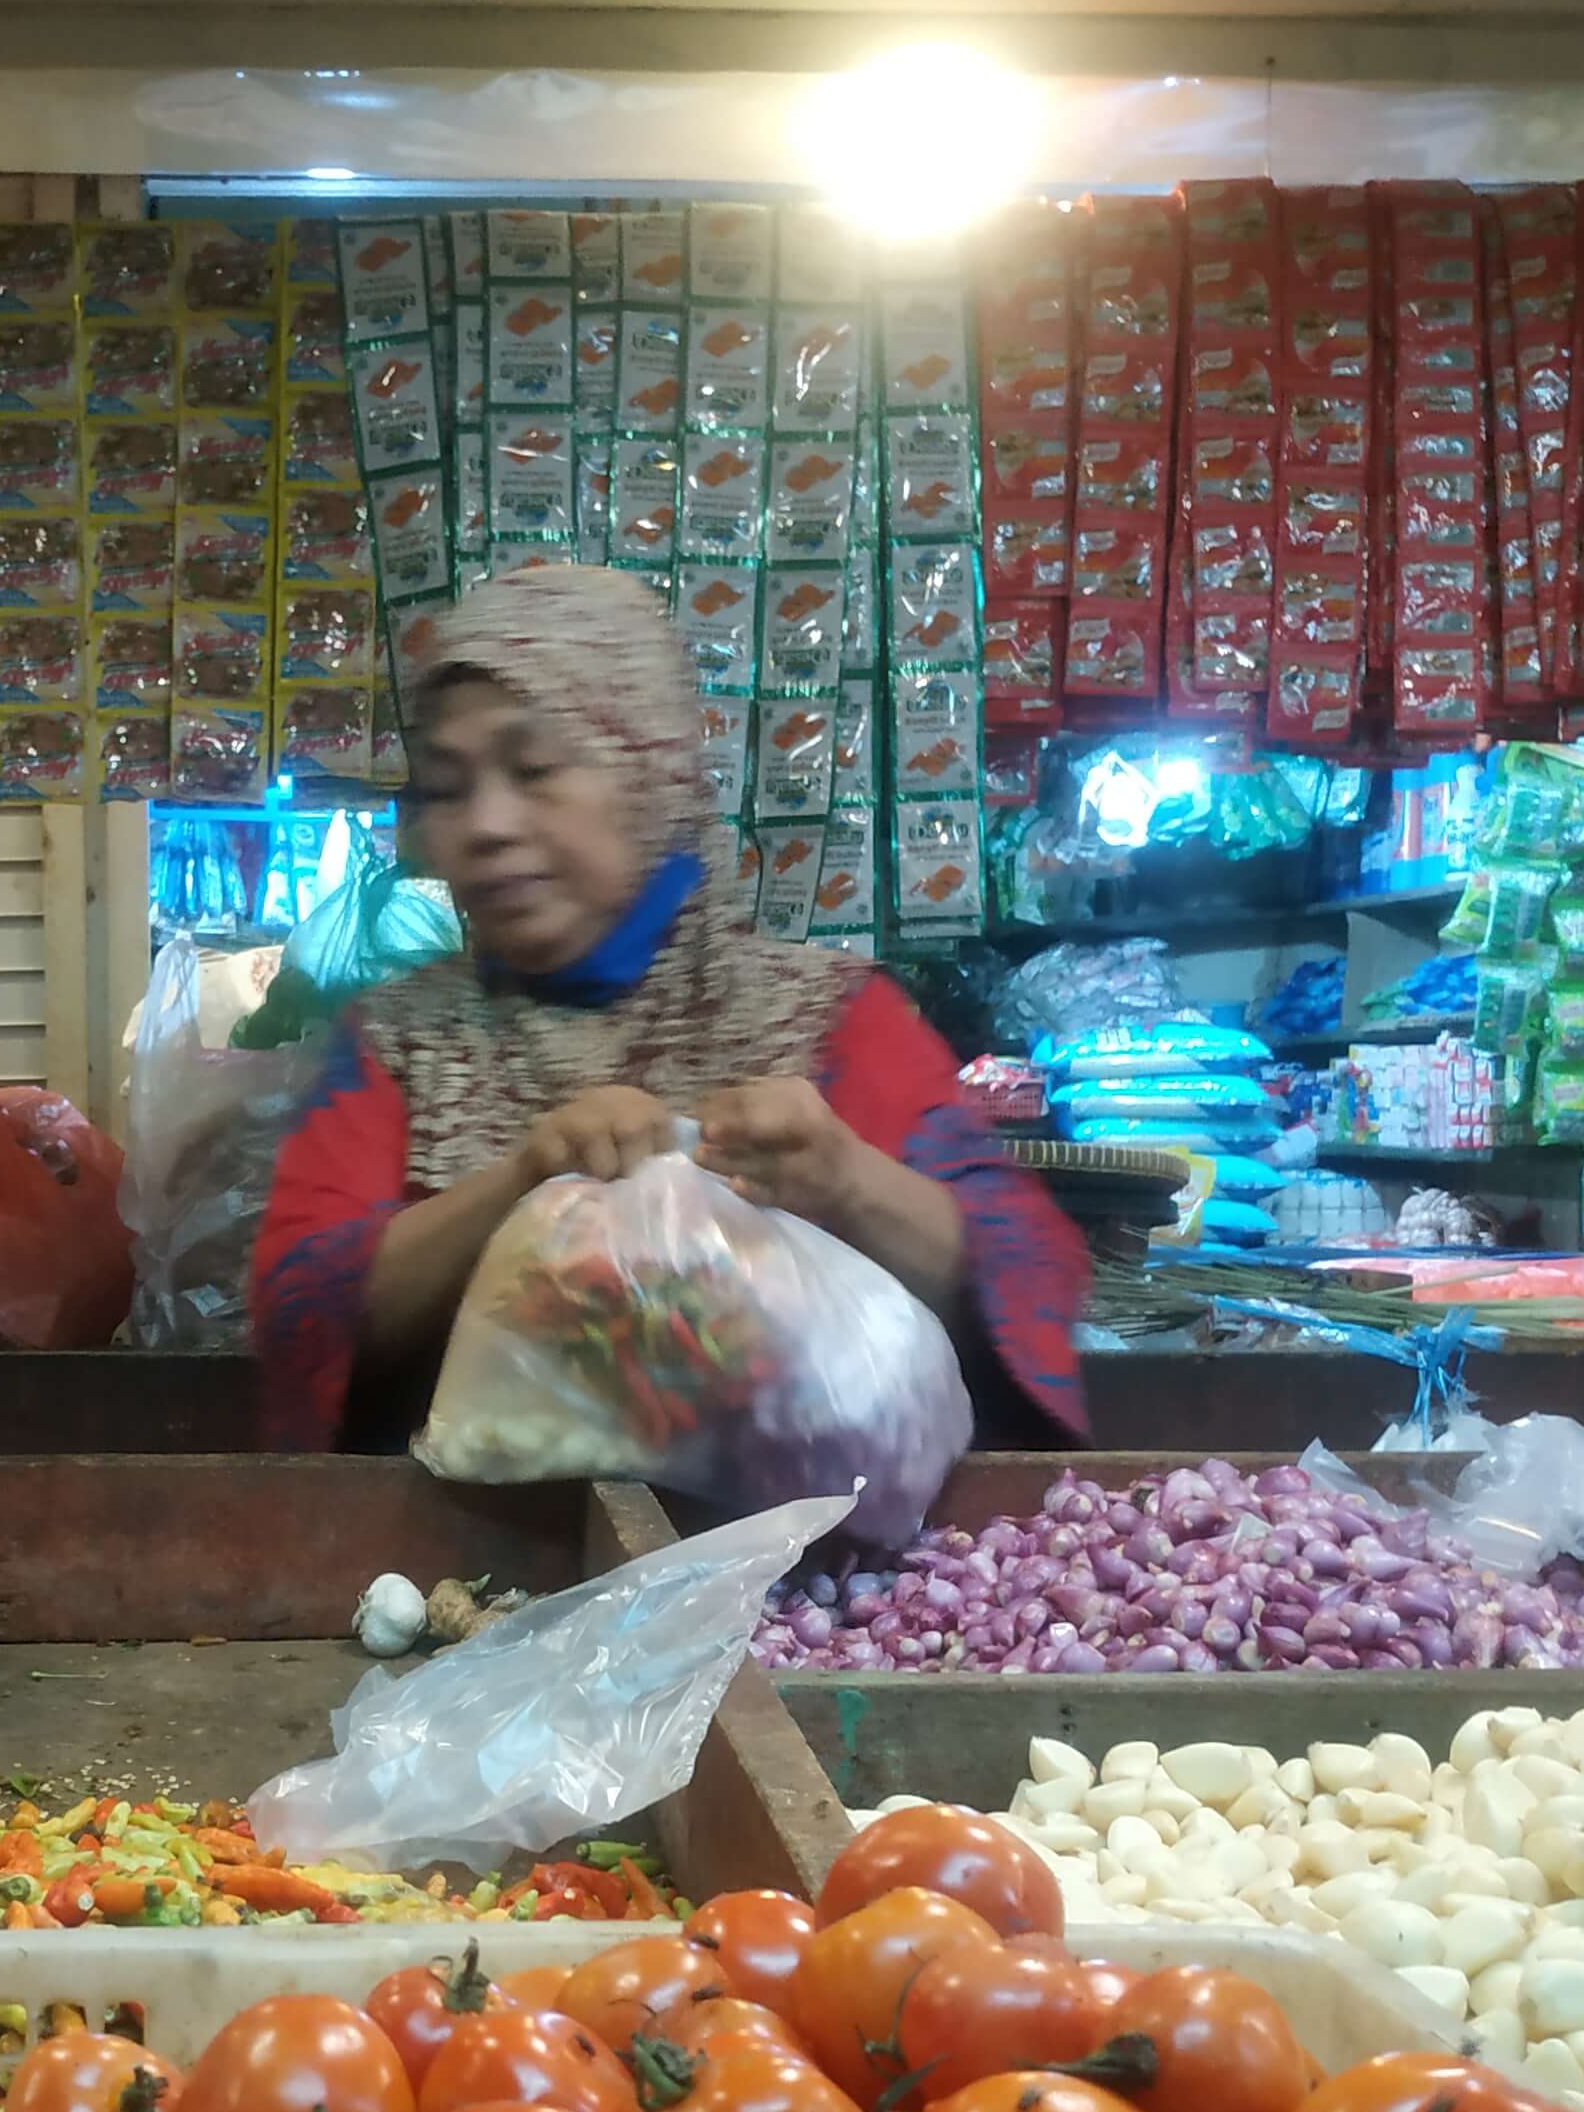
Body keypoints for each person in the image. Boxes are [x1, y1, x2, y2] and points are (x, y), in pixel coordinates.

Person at [250, 562, 1089, 1452]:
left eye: (535, 767)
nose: (486, 824)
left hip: (801, 1573)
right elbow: (300, 1312)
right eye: (450, 787)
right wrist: (523, 1185)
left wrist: (849, 1183)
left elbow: (1032, 1276)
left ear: (654, 771)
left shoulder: (833, 1021)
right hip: (460, 1578)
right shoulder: (399, 1043)